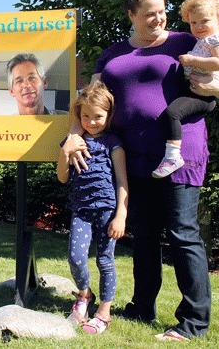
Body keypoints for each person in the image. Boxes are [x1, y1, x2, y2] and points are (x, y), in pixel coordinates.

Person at [70, 0, 219, 341]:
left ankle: (193, 321)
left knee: (182, 233)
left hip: (180, 153)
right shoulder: (113, 54)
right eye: (149, 14)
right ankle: (142, 306)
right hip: (135, 157)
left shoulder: (185, 41)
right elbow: (89, 100)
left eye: (162, 12)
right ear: (131, 15)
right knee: (143, 236)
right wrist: (73, 135)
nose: (159, 19)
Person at [57, 80, 128, 334]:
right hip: (81, 210)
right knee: (76, 258)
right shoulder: (74, 141)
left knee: (105, 260)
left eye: (98, 116)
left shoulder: (113, 144)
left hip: (107, 211)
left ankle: (104, 312)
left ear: (109, 115)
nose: (91, 122)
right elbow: (62, 177)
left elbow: (122, 181)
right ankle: (84, 295)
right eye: (85, 116)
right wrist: (65, 151)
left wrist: (121, 215)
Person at [152, 0, 219, 178]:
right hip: (195, 90)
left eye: (204, 21)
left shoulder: (217, 40)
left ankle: (173, 156)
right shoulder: (202, 41)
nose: (198, 26)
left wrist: (192, 60)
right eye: (193, 22)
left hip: (203, 95)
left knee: (172, 113)